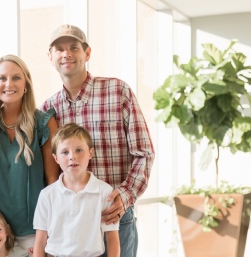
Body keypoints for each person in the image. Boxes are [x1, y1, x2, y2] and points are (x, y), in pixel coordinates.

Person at [41, 24, 155, 257]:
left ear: (87, 53)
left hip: (115, 215)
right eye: (59, 49)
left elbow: (144, 153)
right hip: (71, 225)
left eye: (74, 47)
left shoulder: (118, 91)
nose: (67, 54)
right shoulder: (48, 109)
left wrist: (123, 197)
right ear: (50, 57)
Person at [0, 54, 60, 250]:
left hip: (35, 233)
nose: (8, 83)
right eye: (2, 78)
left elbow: (53, 182)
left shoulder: (43, 123)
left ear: (26, 84)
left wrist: (49, 234)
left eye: (16, 77)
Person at [33, 123, 120, 257]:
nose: (72, 156)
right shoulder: (47, 195)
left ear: (90, 153)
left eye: (79, 150)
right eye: (65, 152)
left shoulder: (105, 192)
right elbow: (40, 241)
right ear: (55, 158)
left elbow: (112, 239)